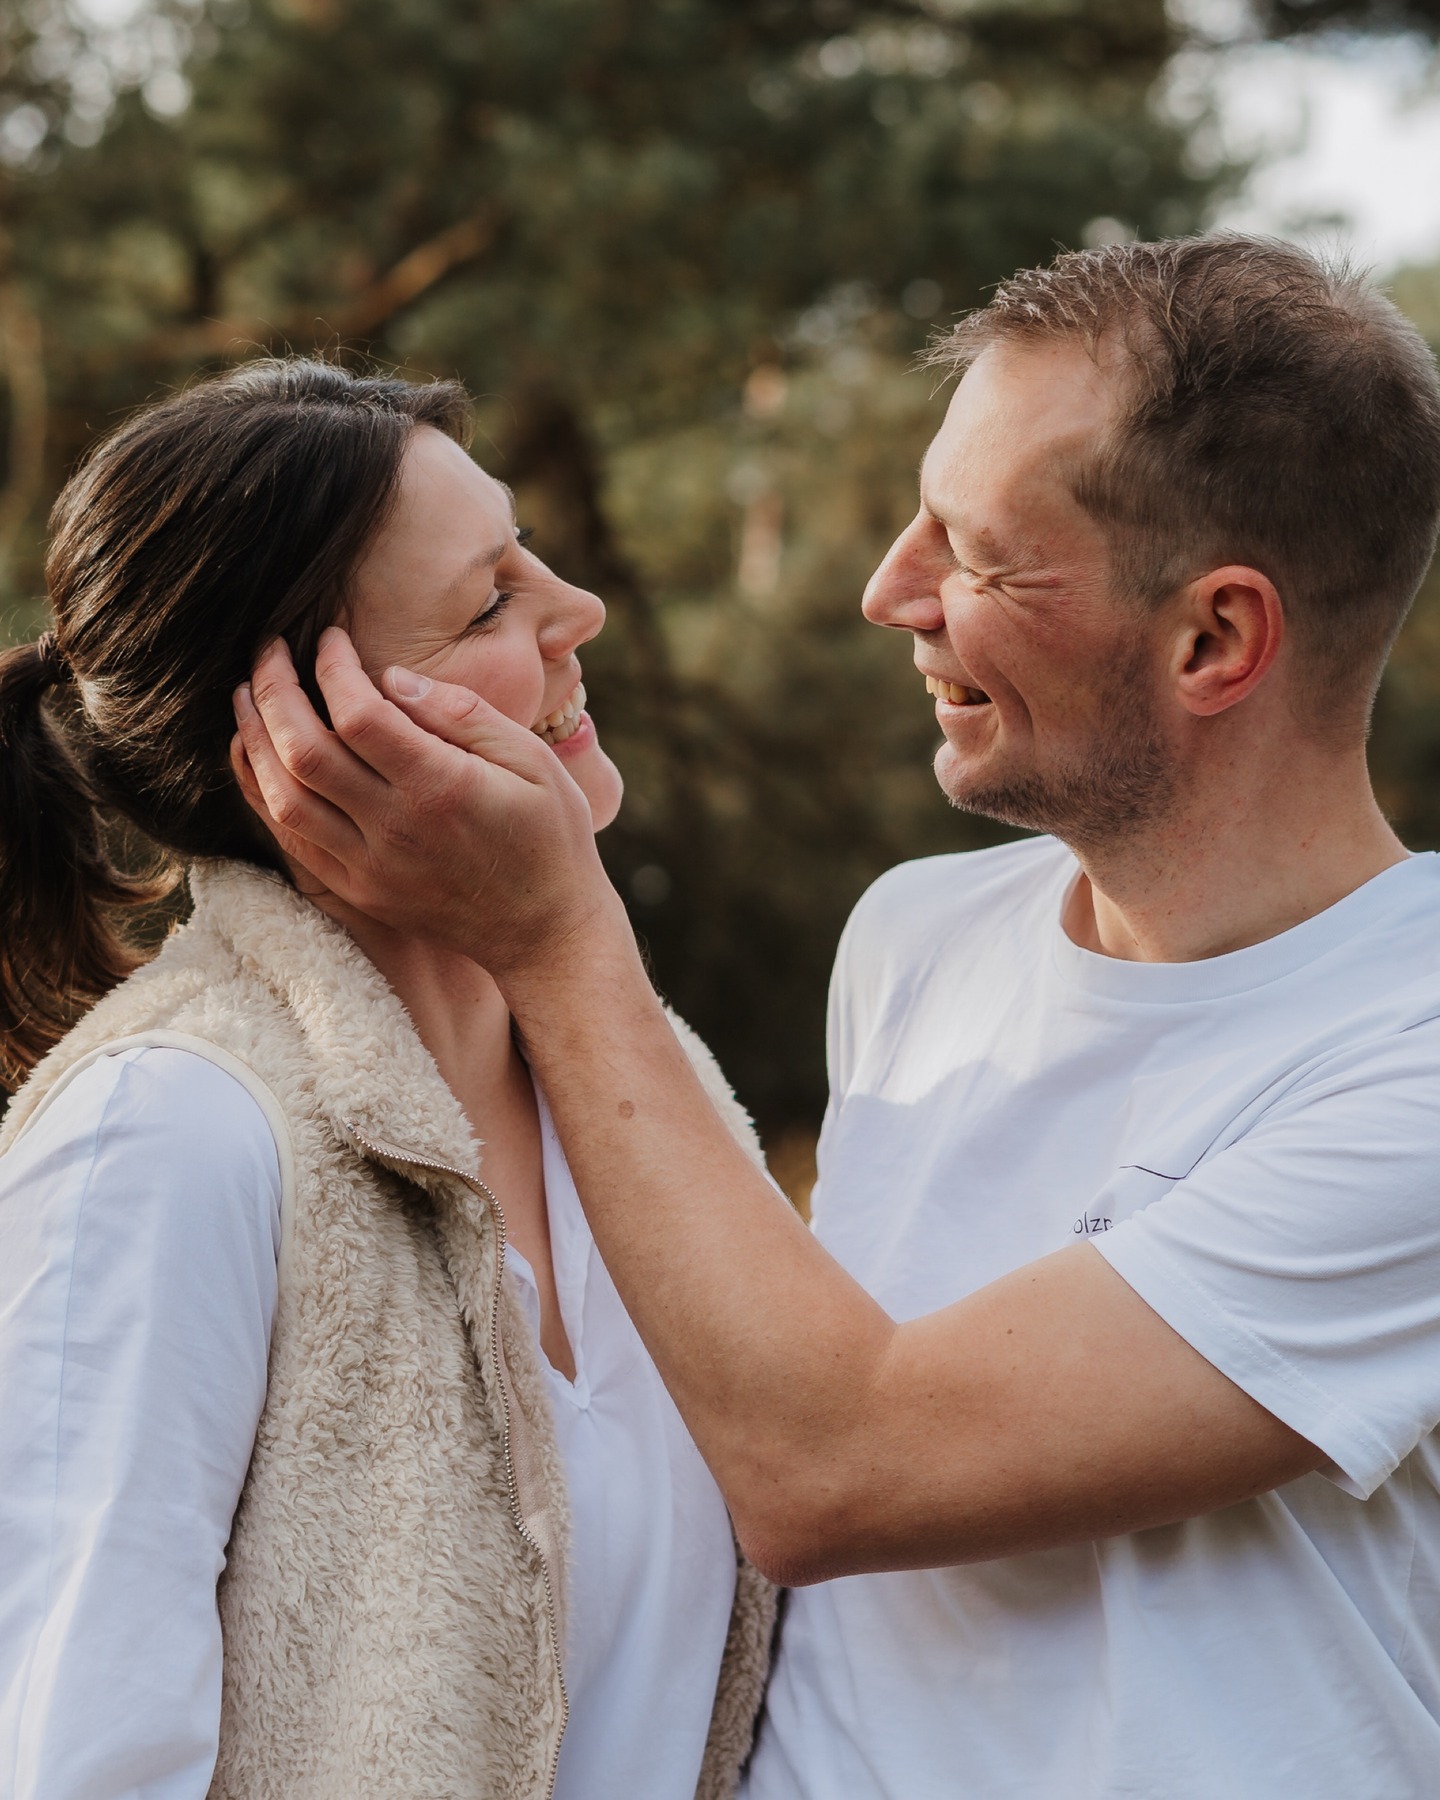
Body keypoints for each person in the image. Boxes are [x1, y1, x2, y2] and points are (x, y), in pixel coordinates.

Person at [235, 234, 1440, 1799]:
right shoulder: (915, 940)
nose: (893, 591)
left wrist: (553, 935)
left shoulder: (1409, 1059)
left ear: (1215, 639)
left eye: (976, 550)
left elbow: (834, 1470)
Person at [0, 359, 775, 1800]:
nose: (576, 611)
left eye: (526, 555)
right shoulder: (167, 1135)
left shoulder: (653, 1100)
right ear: (297, 726)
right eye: (488, 603)